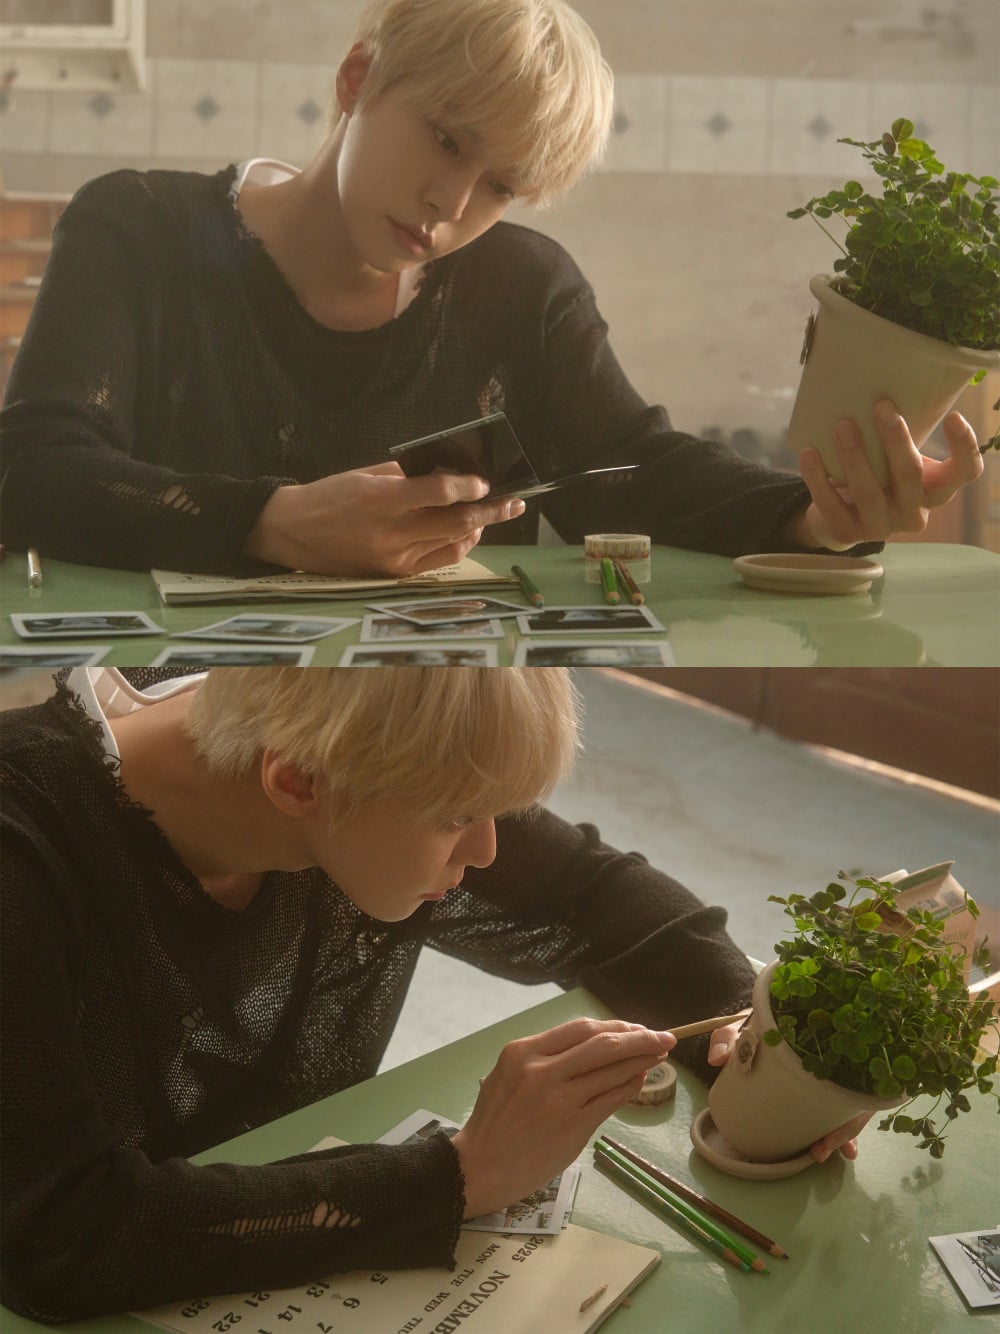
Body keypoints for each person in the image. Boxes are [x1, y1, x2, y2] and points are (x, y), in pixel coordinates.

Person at [0, 665, 865, 1321]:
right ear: (296, 781)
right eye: (457, 817)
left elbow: (592, 896)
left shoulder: (346, 742)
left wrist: (762, 1036)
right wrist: (461, 1175)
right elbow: (58, 1237)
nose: (487, 851)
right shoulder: (24, 856)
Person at [0, 0, 982, 577]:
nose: (451, 202)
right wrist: (277, 521)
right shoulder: (138, 226)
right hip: (158, 722)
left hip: (421, 730)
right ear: (356, 79)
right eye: (445, 139)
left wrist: (817, 519)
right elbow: (33, 470)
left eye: (502, 187)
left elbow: (631, 469)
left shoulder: (521, 285)